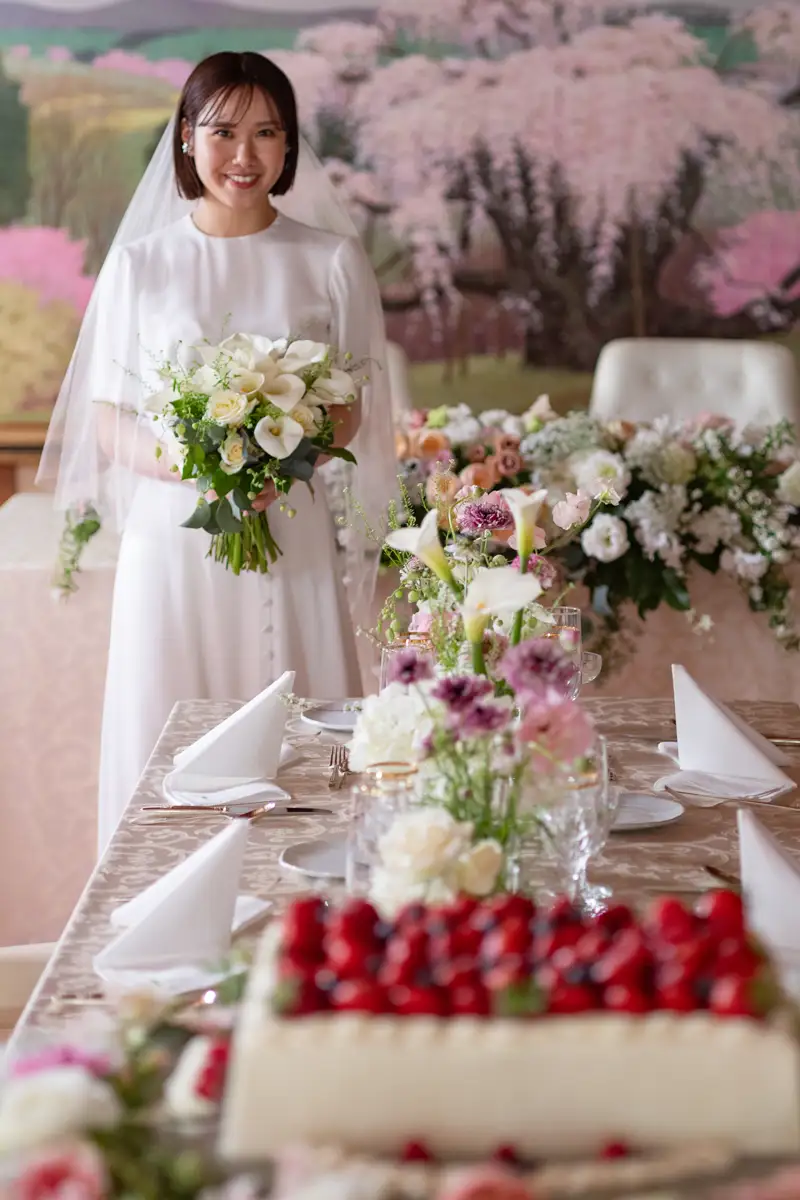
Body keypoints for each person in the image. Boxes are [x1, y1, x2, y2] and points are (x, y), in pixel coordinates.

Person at [37, 52, 396, 853]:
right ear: (187, 141)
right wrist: (198, 465)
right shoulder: (142, 264)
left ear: (289, 145)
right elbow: (106, 415)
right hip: (174, 539)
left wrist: (277, 460)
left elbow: (350, 410)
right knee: (172, 729)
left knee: (298, 728)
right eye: (224, 131)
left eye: (267, 132)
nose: (245, 155)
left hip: (291, 526)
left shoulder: (330, 260)